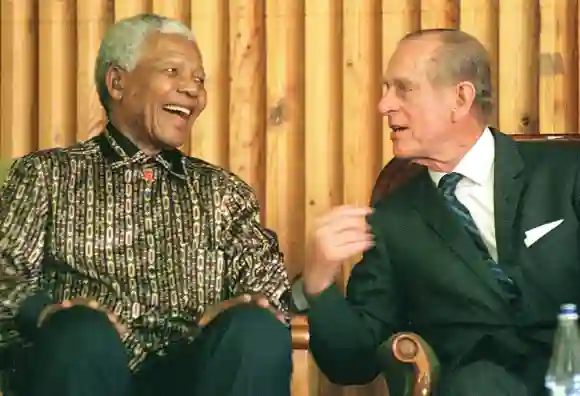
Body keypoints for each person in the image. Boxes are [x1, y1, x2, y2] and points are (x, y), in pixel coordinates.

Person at [0, 13, 292, 396]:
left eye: (200, 80)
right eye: (173, 71)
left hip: (198, 376)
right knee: (81, 331)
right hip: (84, 369)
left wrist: (244, 308)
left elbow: (269, 288)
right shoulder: (46, 175)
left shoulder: (223, 192)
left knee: (256, 328)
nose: (192, 90)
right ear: (118, 83)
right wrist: (47, 312)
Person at [302, 28, 576, 396]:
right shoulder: (393, 218)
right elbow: (354, 362)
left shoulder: (566, 171)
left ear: (460, 98)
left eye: (403, 88)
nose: (384, 105)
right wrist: (319, 285)